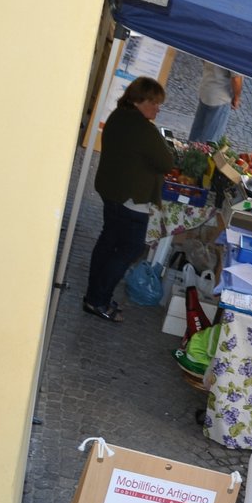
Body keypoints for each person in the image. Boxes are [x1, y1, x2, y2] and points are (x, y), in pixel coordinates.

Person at [85, 76, 173, 323]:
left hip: (111, 190)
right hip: (131, 199)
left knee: (108, 241)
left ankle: (94, 295)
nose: (157, 108)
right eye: (154, 103)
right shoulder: (143, 129)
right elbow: (166, 162)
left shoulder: (117, 115)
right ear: (139, 100)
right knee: (129, 248)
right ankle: (98, 300)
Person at [189, 60, 243, 146]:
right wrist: (236, 97)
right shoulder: (235, 51)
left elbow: (203, 59)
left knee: (196, 135)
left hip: (206, 88)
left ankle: (189, 154)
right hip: (220, 97)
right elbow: (236, 78)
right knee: (210, 142)